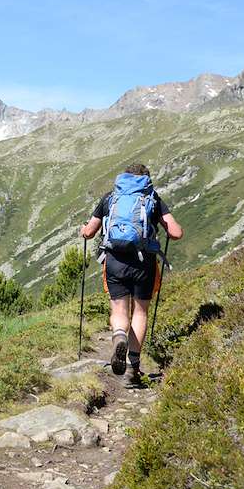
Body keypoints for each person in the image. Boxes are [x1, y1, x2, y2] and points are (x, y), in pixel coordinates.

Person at [79, 163, 183, 384]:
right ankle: (132, 368)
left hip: (115, 261)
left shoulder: (111, 198)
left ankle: (119, 337)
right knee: (140, 311)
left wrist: (83, 230)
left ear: (124, 177)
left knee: (119, 308)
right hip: (143, 263)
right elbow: (176, 233)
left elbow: (89, 232)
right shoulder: (152, 198)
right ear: (146, 179)